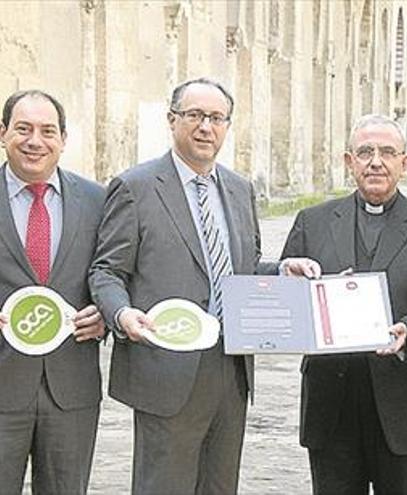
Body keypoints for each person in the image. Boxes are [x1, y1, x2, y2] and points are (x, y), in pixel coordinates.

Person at [89, 78, 291, 494]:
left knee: (219, 487)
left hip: (230, 369)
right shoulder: (136, 187)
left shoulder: (238, 189)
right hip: (166, 366)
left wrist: (283, 271)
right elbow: (106, 271)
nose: (205, 127)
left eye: (217, 118)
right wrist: (122, 314)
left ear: (227, 125)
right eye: (195, 115)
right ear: (172, 120)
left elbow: (244, 268)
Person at [280, 114, 407, 494]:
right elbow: (288, 300)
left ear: (404, 163)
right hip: (333, 398)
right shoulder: (312, 222)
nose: (375, 161)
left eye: (386, 152)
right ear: (349, 162)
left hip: (406, 396)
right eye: (365, 152)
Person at [0, 90, 106, 495]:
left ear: (63, 139)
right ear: (3, 133)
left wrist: (106, 313)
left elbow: (116, 275)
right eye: (23, 129)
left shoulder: (98, 201)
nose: (34, 141)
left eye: (47, 131)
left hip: (71, 388)